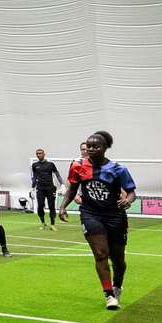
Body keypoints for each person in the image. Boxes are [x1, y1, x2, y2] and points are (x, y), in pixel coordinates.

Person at [58, 131, 136, 310]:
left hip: (115, 216)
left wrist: (128, 201)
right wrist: (62, 207)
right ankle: (109, 295)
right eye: (88, 146)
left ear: (105, 148)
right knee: (101, 253)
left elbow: (131, 191)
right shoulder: (78, 166)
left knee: (118, 259)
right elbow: (72, 189)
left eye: (95, 146)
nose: (90, 149)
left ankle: (117, 285)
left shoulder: (118, 169)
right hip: (90, 214)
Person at [30, 148, 61, 230]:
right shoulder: (34, 165)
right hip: (40, 188)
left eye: (40, 153)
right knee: (40, 206)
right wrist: (32, 188)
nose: (38, 155)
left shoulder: (51, 164)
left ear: (44, 154)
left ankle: (52, 224)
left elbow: (57, 174)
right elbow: (34, 177)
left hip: (50, 188)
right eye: (37, 153)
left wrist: (62, 184)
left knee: (51, 206)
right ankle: (43, 223)